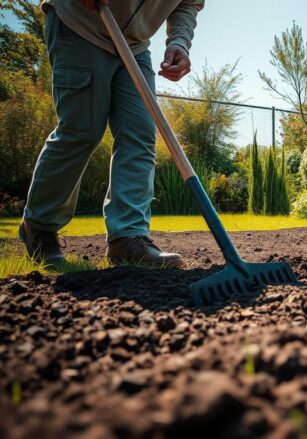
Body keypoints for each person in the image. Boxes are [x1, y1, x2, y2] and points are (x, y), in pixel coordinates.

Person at [19, 0, 205, 267]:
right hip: (82, 25)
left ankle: (127, 237)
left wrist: (179, 42)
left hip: (135, 45)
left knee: (140, 134)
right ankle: (39, 226)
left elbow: (188, 3)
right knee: (81, 131)